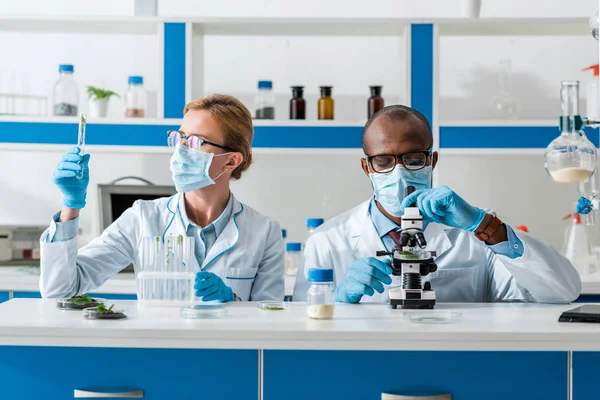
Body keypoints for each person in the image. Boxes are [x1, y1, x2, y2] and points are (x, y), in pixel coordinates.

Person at [293, 105, 581, 304]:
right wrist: (338, 300)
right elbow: (300, 330)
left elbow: (562, 291)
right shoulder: (327, 241)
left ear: (432, 161)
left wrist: (482, 225)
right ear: (367, 167)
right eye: (383, 161)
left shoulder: (479, 233)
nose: (400, 171)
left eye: (414, 158)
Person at [41, 94, 284, 301]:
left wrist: (233, 301)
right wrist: (70, 206)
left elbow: (270, 319)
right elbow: (59, 291)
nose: (181, 150)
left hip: (231, 355)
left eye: (196, 141)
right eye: (180, 137)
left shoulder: (264, 232)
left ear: (231, 160)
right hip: (158, 353)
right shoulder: (143, 218)